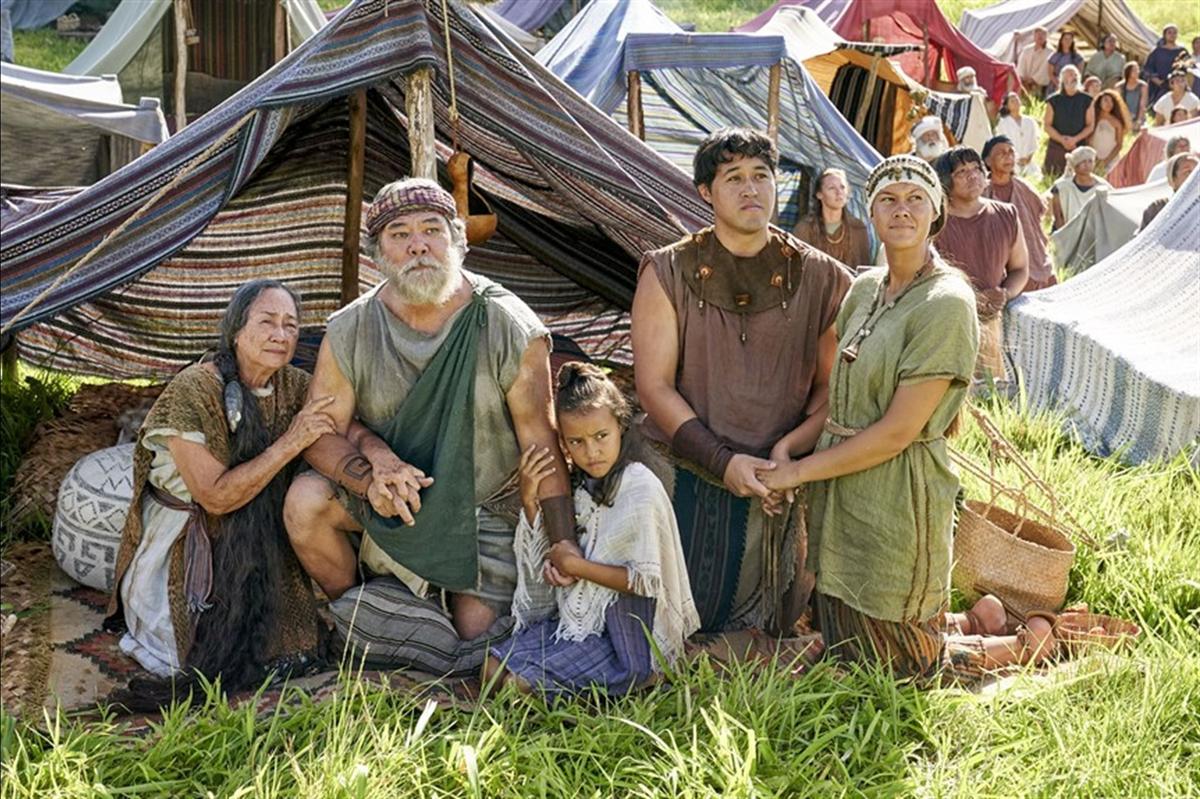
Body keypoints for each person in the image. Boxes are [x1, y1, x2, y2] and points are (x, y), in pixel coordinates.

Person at [757, 154, 1056, 685]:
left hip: (898, 489)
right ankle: (974, 618)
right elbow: (839, 397)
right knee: (848, 628)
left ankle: (1021, 643)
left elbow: (898, 431)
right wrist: (790, 447)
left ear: (936, 212)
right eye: (888, 199)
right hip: (843, 482)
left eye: (915, 198)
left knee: (901, 665)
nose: (902, 209)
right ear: (870, 214)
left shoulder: (946, 303)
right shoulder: (865, 289)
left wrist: (800, 472)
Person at [283, 178, 575, 673]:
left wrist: (564, 543)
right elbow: (320, 430)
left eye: (431, 230)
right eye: (398, 233)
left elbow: (541, 445)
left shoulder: (508, 324)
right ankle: (364, 613)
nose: (417, 244)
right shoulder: (350, 328)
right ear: (378, 253)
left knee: (474, 635)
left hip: (484, 508)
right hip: (395, 503)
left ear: (458, 242)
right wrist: (367, 477)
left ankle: (396, 620)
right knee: (306, 503)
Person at [631, 127, 852, 635]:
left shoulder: (823, 277)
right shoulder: (667, 270)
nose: (751, 189)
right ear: (706, 192)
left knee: (767, 623)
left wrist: (789, 456)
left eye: (761, 176)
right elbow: (654, 386)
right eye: (734, 178)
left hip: (777, 476)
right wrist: (722, 460)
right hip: (683, 465)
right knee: (670, 624)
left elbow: (831, 388)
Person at [106, 280, 325, 698]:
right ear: (236, 329)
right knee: (191, 655)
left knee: (291, 645)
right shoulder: (195, 389)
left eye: (291, 325)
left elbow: (336, 426)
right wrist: (292, 442)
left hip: (260, 543)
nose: (281, 335)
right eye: (267, 322)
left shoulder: (293, 384)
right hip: (188, 545)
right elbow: (216, 497)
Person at [484, 363, 700, 697]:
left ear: (621, 426)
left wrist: (577, 567)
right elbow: (552, 556)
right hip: (580, 623)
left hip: (627, 636)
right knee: (490, 668)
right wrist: (529, 498)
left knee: (518, 688)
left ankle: (638, 681)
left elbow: (643, 580)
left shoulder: (639, 487)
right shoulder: (582, 487)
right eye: (577, 442)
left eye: (601, 436)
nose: (592, 452)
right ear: (564, 445)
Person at [932, 147, 1029, 382]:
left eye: (976, 168)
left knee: (991, 390)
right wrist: (970, 300)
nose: (973, 175)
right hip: (948, 320)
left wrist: (1003, 294)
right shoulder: (935, 222)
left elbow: (1020, 269)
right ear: (946, 182)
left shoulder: (1006, 214)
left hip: (993, 321)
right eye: (962, 172)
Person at [982, 136, 1056, 292]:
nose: (1008, 156)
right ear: (988, 161)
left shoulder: (1024, 188)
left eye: (1011, 152)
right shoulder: (981, 192)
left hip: (1032, 257)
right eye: (1001, 153)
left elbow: (1039, 218)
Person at [792, 167, 872, 269]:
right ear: (819, 194)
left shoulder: (858, 228)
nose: (839, 193)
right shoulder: (804, 228)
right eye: (832, 188)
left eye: (842, 187)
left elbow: (864, 271)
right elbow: (796, 268)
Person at [1043, 65, 1095, 177]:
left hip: (1078, 145)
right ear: (1063, 80)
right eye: (1070, 75)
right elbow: (1047, 126)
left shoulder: (1087, 100)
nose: (1073, 77)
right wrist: (1062, 140)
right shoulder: (1053, 100)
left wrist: (1075, 139)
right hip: (1057, 145)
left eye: (1075, 75)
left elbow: (1090, 125)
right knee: (1053, 178)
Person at [1050, 146, 1111, 229]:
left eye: (1090, 161)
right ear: (1075, 165)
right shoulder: (1061, 187)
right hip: (1069, 231)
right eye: (1083, 162)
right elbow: (1058, 215)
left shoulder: (1103, 186)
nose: (1087, 165)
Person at [1140, 152, 1198, 230]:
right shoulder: (1158, 209)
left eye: (1197, 173)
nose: (1195, 177)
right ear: (1173, 180)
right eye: (1187, 172)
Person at [994, 92, 1042, 180]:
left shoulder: (1029, 121)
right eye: (1012, 101)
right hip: (1011, 162)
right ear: (1007, 106)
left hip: (1028, 161)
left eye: (1017, 99)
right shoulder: (1003, 123)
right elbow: (1002, 144)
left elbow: (1034, 141)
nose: (1016, 102)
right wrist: (1014, 159)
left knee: (1034, 177)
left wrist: (1028, 158)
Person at [1089, 89, 1133, 169]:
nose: (1109, 104)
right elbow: (1088, 140)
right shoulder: (1093, 119)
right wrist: (1095, 159)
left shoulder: (1117, 123)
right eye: (1105, 100)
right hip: (1092, 158)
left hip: (1111, 160)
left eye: (1111, 101)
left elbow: (1119, 145)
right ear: (1099, 102)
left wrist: (1106, 160)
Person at [1145, 25, 1186, 106]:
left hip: (1178, 85)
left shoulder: (1182, 51)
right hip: (1160, 85)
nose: (1172, 35)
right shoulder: (1157, 51)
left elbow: (1188, 67)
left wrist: (1178, 83)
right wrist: (1160, 83)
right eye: (1169, 32)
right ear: (1165, 35)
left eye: (1174, 33)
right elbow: (1148, 69)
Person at [1017, 27, 1052, 99]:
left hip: (1039, 84)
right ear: (1034, 36)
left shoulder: (1050, 52)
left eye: (1043, 34)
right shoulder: (1027, 49)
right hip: (1024, 82)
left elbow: (1045, 69)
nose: (1040, 36)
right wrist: (1023, 78)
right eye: (1038, 34)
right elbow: (1021, 65)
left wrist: (1033, 79)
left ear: (1046, 36)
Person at [1120, 62, 1149, 132]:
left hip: (1138, 116)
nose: (1137, 72)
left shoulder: (1143, 86)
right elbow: (1119, 106)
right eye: (1134, 70)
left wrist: (1138, 121)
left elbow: (1142, 105)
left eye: (1137, 70)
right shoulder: (1119, 87)